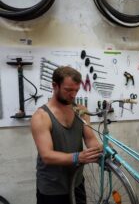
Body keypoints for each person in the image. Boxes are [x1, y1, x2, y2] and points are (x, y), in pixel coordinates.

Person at [31, 66, 102, 204]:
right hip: (52, 188)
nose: (73, 95)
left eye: (76, 90)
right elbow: (47, 156)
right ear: (54, 86)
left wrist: (99, 152)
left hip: (77, 182)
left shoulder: (81, 111)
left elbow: (90, 139)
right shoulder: (41, 116)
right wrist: (78, 157)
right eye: (68, 90)